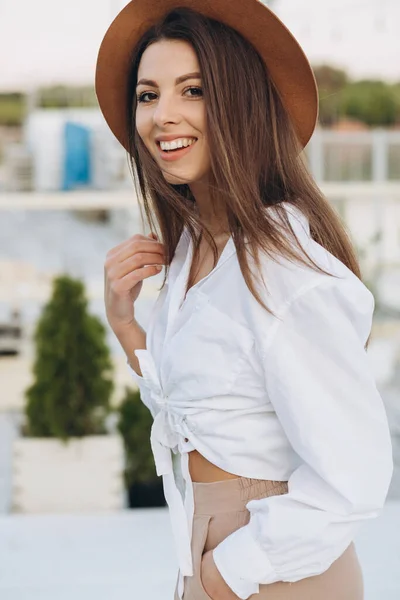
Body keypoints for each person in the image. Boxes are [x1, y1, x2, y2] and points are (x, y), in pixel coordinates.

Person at [97, 2, 393, 599]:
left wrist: (228, 573)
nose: (162, 115)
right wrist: (127, 326)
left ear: (241, 102)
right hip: (213, 543)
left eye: (194, 89)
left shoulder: (284, 270)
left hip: (272, 562)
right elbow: (200, 412)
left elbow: (355, 476)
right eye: (148, 95)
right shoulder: (197, 251)